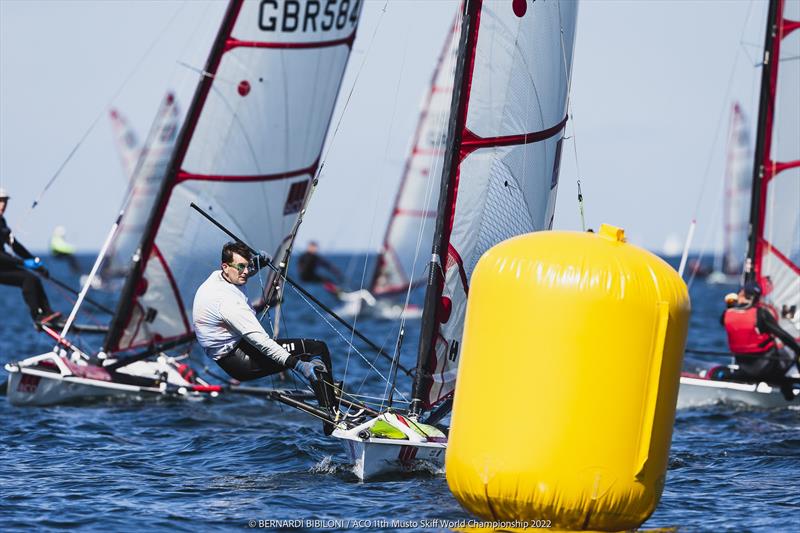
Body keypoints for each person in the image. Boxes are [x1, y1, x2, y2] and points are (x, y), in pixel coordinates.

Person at [192, 241, 326, 382]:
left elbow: (241, 272)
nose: (245, 271)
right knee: (317, 348)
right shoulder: (227, 301)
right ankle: (329, 403)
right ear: (225, 267)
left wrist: (257, 264)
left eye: (247, 266)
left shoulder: (221, 277)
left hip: (234, 354)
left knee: (314, 349)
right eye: (240, 267)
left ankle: (327, 393)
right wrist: (298, 365)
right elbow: (262, 341)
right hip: (242, 362)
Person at [0, 187, 60, 326]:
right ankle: (38, 317)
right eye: (0, 201)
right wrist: (24, 263)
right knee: (27, 279)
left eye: (5, 202)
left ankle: (47, 313)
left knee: (34, 279)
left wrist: (34, 262)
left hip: (4, 265)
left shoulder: (2, 222)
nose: (3, 205)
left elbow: (15, 246)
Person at [721, 280, 800, 384]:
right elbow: (784, 336)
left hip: (744, 368)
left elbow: (732, 319)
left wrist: (732, 304)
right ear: (757, 297)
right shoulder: (761, 314)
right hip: (766, 370)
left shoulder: (726, 314)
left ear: (741, 294)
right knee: (793, 350)